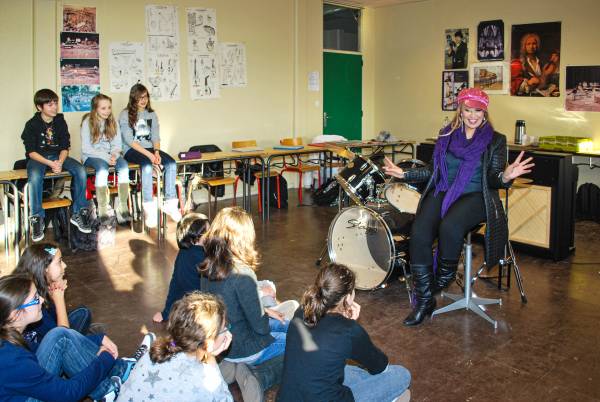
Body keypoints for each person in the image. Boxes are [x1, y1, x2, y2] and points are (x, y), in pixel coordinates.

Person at [383, 88, 534, 326]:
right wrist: (404, 174)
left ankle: (439, 283)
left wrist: (506, 175)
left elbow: (494, 179)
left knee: (450, 226)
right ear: (460, 111)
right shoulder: (446, 135)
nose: (473, 115)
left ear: (484, 112)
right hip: (443, 190)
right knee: (420, 232)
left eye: (478, 110)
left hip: (476, 195)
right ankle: (425, 300)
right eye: (468, 110)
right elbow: (433, 171)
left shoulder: (495, 140)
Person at [0, 274, 150, 402]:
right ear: (15, 315)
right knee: (61, 337)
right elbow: (69, 393)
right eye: (35, 299)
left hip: (23, 391)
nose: (41, 300)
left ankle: (115, 379)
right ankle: (115, 385)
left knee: (60, 334)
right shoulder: (11, 359)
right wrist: (105, 358)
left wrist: (97, 340)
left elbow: (46, 349)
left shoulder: (8, 336)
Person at [199, 206, 297, 399]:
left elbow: (231, 307)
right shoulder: (243, 274)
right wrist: (266, 314)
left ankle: (230, 367)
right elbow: (260, 328)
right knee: (299, 343)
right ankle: (258, 375)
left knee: (289, 325)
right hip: (246, 346)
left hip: (222, 343)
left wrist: (267, 312)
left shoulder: (208, 266)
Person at [277, 263, 411, 402]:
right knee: (401, 374)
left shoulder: (302, 310)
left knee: (342, 370)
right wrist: (350, 324)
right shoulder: (349, 330)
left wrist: (344, 320)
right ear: (347, 298)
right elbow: (380, 367)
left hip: (288, 397)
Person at [118, 292, 233, 401]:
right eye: (224, 328)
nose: (227, 331)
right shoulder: (208, 382)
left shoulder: (153, 353)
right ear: (208, 344)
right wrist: (211, 360)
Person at [21, 88, 92, 242]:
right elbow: (31, 152)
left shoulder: (60, 121)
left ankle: (79, 211)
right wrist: (50, 163)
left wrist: (59, 161)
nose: (54, 107)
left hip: (59, 156)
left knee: (80, 171)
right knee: (34, 176)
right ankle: (36, 217)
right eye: (49, 104)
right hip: (39, 158)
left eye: (55, 103)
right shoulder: (32, 124)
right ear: (40, 107)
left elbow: (65, 146)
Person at [118, 83, 181, 228]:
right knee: (146, 166)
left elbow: (156, 136)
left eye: (145, 97)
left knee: (171, 163)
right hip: (131, 150)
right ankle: (149, 208)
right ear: (133, 98)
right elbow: (129, 140)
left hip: (150, 149)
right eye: (139, 97)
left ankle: (170, 203)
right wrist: (150, 156)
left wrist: (157, 152)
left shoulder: (151, 114)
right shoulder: (125, 114)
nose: (143, 100)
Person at [13, 242, 92, 342]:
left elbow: (53, 319)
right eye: (59, 261)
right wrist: (59, 299)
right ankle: (85, 340)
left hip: (49, 332)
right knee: (80, 324)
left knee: (83, 313)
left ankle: (85, 338)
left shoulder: (38, 284)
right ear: (44, 268)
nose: (65, 265)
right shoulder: (32, 300)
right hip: (43, 348)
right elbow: (63, 340)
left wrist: (52, 296)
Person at [81, 93, 132, 225]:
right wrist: (107, 157)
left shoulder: (112, 121)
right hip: (92, 156)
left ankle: (122, 205)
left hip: (111, 155)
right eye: (103, 108)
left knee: (124, 166)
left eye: (109, 107)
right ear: (95, 109)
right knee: (103, 169)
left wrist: (115, 155)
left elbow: (117, 144)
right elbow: (86, 148)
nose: (107, 111)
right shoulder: (87, 122)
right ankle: (102, 209)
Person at [152, 212, 210, 323]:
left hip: (191, 308)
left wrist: (166, 312)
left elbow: (175, 283)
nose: (211, 234)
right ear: (195, 237)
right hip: (202, 309)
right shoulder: (202, 256)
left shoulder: (183, 253)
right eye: (207, 232)